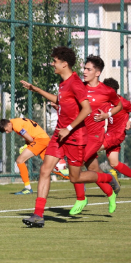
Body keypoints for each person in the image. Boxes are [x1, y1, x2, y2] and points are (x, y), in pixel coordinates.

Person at [19, 47, 119, 228]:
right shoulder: (63, 84)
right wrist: (36, 89)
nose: (52, 64)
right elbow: (60, 101)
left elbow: (86, 109)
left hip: (74, 137)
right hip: (59, 135)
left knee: (75, 178)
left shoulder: (76, 83)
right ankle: (38, 215)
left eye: (55, 61)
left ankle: (106, 178)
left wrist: (69, 127)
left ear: (64, 63)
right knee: (44, 170)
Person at [67, 56, 122, 215]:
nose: (84, 71)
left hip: (95, 137)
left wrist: (108, 114)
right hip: (79, 134)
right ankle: (110, 193)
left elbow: (118, 105)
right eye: (84, 68)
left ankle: (81, 198)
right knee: (93, 169)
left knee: (76, 164)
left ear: (97, 73)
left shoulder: (107, 91)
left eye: (88, 69)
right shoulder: (80, 87)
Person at [0, 118, 50, 195]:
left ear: (9, 124)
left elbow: (30, 139)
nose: (7, 132)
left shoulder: (16, 126)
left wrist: (27, 146)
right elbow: (29, 131)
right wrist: (27, 145)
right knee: (51, 167)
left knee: (20, 160)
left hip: (39, 140)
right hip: (43, 139)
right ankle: (71, 176)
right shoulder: (15, 121)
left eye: (6, 130)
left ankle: (28, 188)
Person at [97, 78, 131, 182]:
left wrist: (129, 120)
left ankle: (82, 183)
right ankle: (110, 178)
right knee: (114, 162)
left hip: (116, 135)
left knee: (90, 149)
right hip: (109, 134)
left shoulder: (123, 102)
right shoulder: (106, 102)